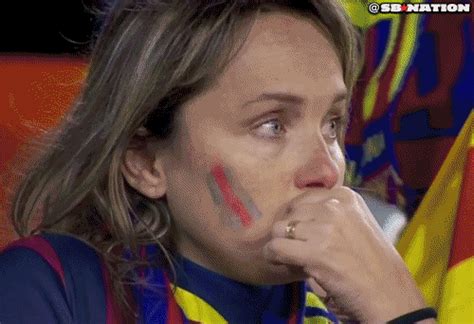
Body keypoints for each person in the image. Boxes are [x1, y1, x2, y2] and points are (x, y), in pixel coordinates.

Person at [0, 1, 437, 323]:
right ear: (146, 162)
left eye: (331, 124)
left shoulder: (366, 306)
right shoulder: (54, 288)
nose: (326, 172)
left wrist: (398, 310)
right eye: (271, 125)